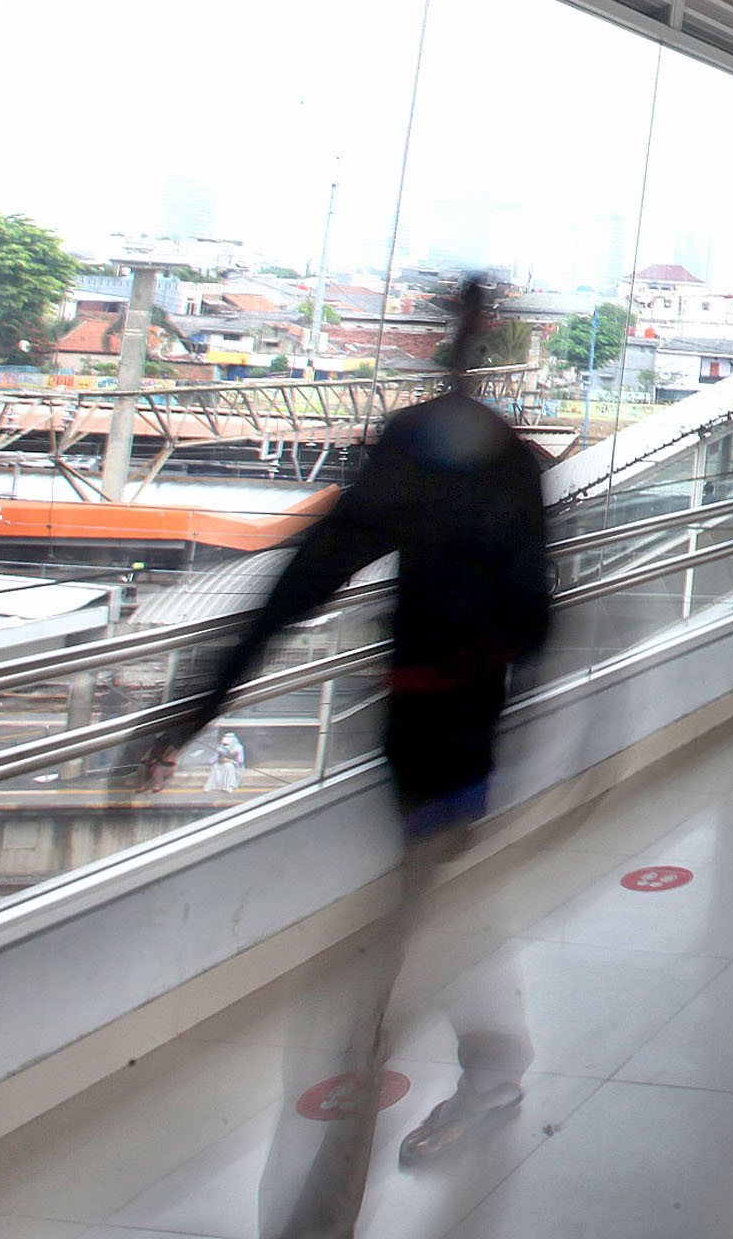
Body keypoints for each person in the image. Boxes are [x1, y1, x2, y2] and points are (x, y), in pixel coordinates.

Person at [134, 278, 549, 1211]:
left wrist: (194, 710)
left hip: (433, 738)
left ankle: (338, 1190)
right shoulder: (505, 466)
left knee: (398, 949)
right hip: (455, 734)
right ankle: (489, 1066)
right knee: (440, 903)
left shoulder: (412, 458)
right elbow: (537, 623)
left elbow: (299, 585)